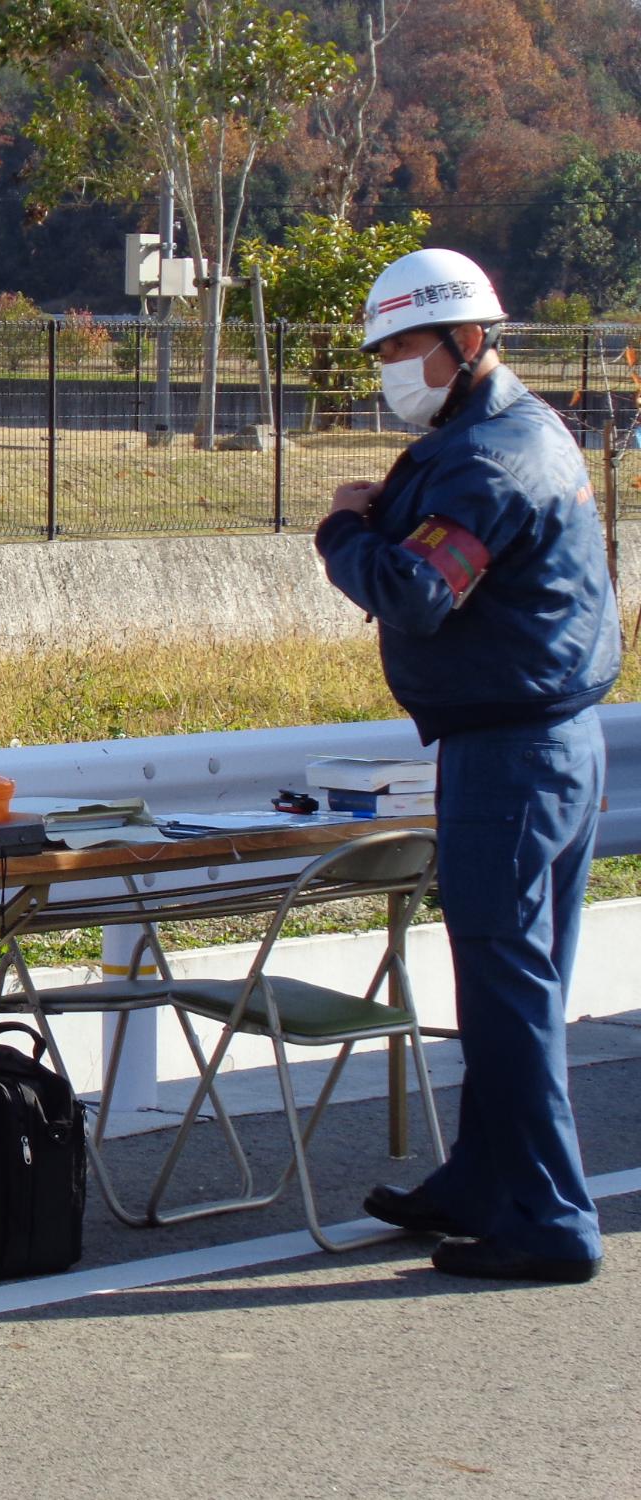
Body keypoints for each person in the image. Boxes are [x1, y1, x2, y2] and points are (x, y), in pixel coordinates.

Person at [317, 246, 620, 1284]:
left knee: (505, 994)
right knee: (512, 984)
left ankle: (547, 1220)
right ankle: (479, 1182)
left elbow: (415, 592)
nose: (391, 365)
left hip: (512, 756)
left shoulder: (488, 459)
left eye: (404, 344)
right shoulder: (515, 433)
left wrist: (341, 531)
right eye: (383, 349)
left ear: (465, 339)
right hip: (548, 743)